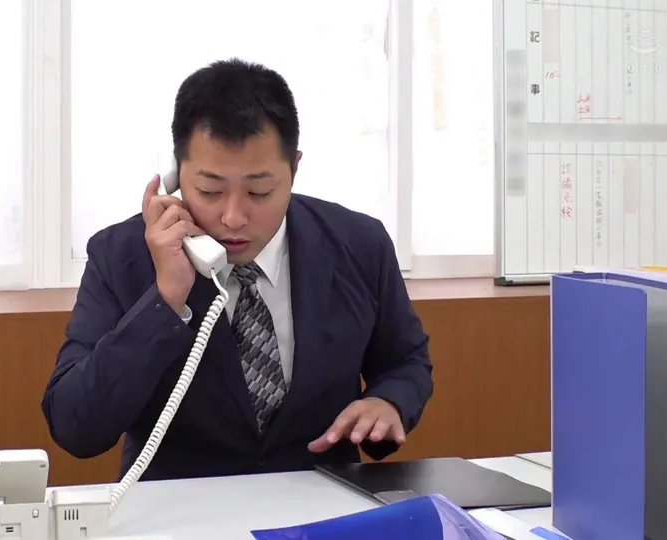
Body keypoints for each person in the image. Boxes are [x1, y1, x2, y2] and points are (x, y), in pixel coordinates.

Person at [41, 58, 433, 481]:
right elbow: (75, 425)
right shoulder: (120, 256)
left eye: (259, 191)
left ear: (294, 168)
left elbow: (405, 360)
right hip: (178, 506)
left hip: (322, 500)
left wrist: (388, 402)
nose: (233, 217)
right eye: (209, 190)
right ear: (176, 176)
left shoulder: (359, 244)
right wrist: (166, 299)